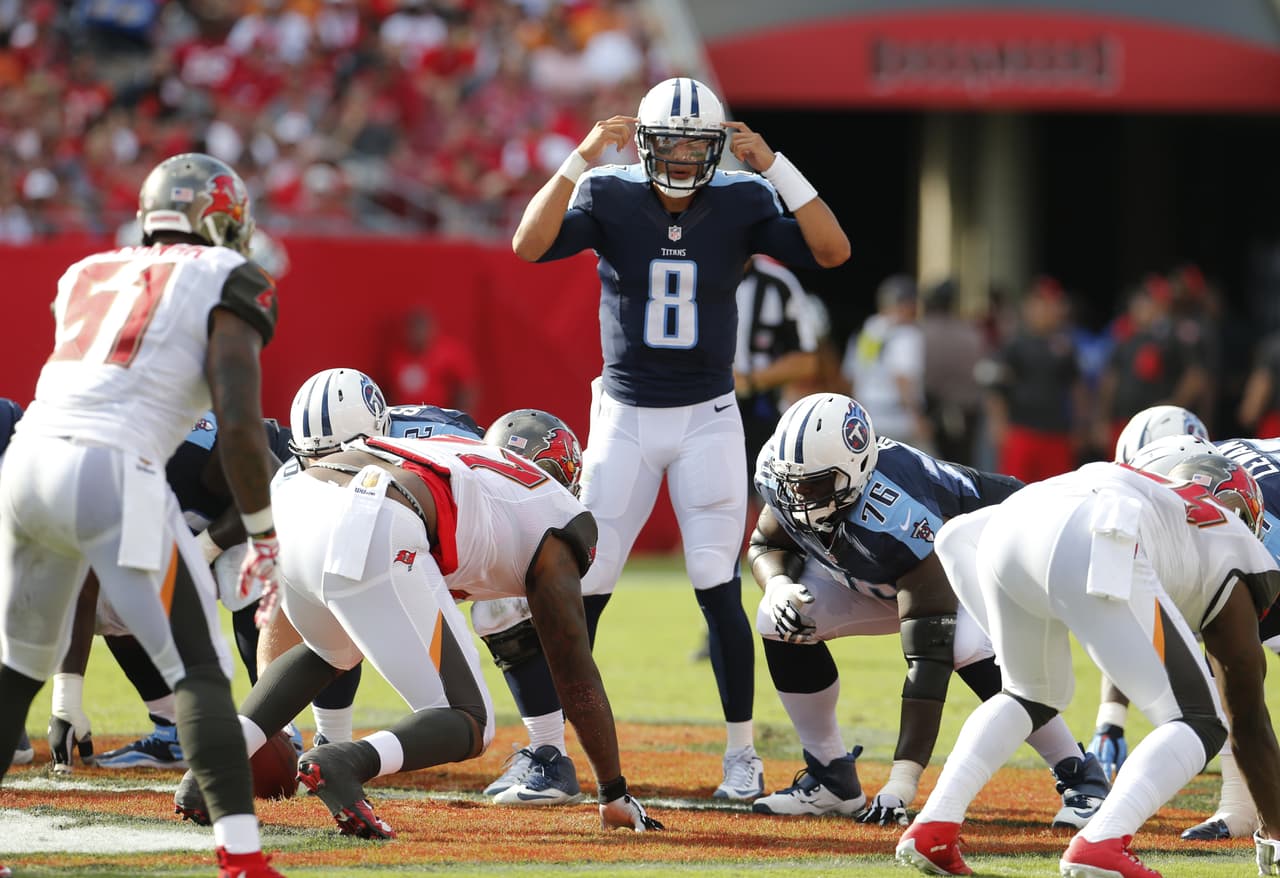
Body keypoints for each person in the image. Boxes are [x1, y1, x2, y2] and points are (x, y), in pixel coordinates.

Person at [510, 75, 850, 799]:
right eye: (672, 143)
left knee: (716, 586)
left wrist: (776, 167)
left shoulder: (743, 198)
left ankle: (740, 756)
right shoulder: (608, 194)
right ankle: (549, 753)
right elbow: (527, 244)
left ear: (718, 147)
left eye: (700, 146)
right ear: (643, 145)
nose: (686, 159)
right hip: (624, 417)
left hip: (708, 419)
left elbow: (832, 250)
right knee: (585, 586)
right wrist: (576, 159)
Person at [173, 412, 662, 838]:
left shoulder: (466, 456)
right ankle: (346, 761)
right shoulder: (562, 519)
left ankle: (208, 772)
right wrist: (613, 790)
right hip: (373, 515)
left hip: (297, 496)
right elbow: (573, 667)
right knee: (473, 719)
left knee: (330, 652)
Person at [0, 153, 283, 878]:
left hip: (25, 462)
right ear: (220, 220)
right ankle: (244, 860)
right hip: (114, 465)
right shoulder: (233, 276)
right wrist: (262, 532)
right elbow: (242, 423)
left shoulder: (85, 272)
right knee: (200, 670)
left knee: (12, 671)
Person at [896, 450, 1280, 877]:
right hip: (1097, 533)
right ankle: (1101, 842)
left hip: (1009, 526)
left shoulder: (1146, 491)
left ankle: (934, 825)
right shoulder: (1236, 540)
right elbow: (1248, 719)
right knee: (1201, 721)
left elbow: (954, 536)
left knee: (1029, 694)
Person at [747, 393, 1107, 826]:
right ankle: (831, 778)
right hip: (880, 576)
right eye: (793, 482)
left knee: (963, 645)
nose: (798, 496)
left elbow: (928, 655)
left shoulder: (898, 514)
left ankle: (1080, 773)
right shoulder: (789, 477)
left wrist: (903, 781)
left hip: (991, 557)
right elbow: (768, 543)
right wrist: (780, 584)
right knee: (777, 617)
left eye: (815, 484)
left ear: (856, 470)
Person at [45, 412, 362, 771]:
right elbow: (82, 592)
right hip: (195, 523)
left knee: (244, 575)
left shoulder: (183, 447)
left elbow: (272, 490)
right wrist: (65, 701)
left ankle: (282, 729)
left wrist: (205, 548)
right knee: (113, 598)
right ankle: (173, 729)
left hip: (270, 503)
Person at [1087, 406, 1280, 843]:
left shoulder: (1239, 513)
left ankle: (1244, 805)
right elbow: (1136, 599)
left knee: (1235, 650)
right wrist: (1111, 718)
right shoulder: (1210, 479)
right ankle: (1239, 806)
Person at [985, 277, 1089, 483]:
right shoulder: (1014, 344)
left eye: (1052, 304)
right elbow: (996, 388)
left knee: (1057, 493)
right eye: (1041, 304)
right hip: (1021, 431)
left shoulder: (1066, 346)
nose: (1046, 310)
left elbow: (1077, 388)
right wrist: (998, 424)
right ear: (1029, 307)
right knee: (1015, 491)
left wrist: (1081, 425)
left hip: (1057, 434)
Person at [843, 275, 932, 452]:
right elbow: (902, 377)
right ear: (907, 304)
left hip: (866, 419)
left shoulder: (866, 331)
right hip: (899, 420)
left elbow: (849, 376)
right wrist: (917, 417)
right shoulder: (906, 333)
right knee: (928, 472)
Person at [380, 306, 479, 412]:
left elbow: (467, 389)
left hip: (439, 419)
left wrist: (461, 419)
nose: (417, 334)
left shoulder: (449, 353)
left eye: (421, 328)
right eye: (413, 329)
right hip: (404, 419)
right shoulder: (396, 357)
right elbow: (389, 392)